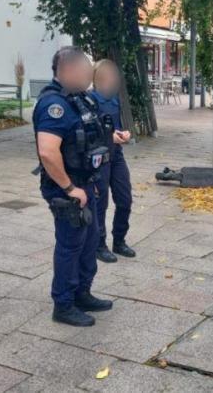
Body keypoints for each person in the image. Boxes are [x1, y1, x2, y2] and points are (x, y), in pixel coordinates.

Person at [33, 47, 114, 327]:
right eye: (84, 69)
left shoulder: (79, 100)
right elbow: (47, 152)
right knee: (71, 245)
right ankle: (63, 304)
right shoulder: (53, 105)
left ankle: (82, 294)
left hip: (85, 183)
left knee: (90, 241)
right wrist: (69, 188)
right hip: (65, 189)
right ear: (67, 70)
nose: (90, 75)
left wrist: (89, 183)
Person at [90, 60, 136, 263]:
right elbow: (89, 131)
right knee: (101, 203)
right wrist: (109, 137)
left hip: (116, 154)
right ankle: (99, 245)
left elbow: (115, 126)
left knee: (125, 198)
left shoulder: (114, 99)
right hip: (99, 156)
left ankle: (120, 240)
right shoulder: (89, 98)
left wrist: (123, 133)